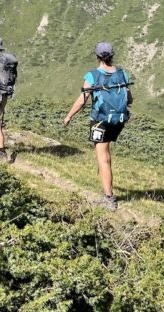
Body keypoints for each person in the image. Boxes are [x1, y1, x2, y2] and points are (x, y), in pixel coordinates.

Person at [64, 42, 133, 211]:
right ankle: (105, 186)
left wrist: (68, 116)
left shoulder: (92, 75)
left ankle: (109, 198)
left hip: (100, 121)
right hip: (118, 121)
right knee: (105, 156)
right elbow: (130, 99)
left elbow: (82, 100)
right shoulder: (123, 73)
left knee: (103, 158)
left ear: (97, 56)